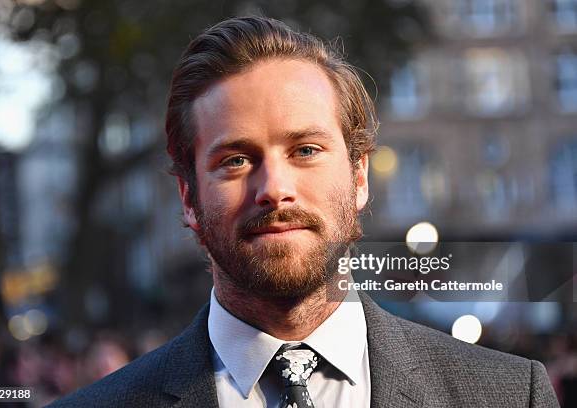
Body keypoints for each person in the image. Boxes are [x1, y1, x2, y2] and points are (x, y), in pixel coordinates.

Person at [50, 16, 559, 407]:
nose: (274, 189)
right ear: (188, 197)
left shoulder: (511, 394)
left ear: (359, 176)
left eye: (306, 151)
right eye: (236, 160)